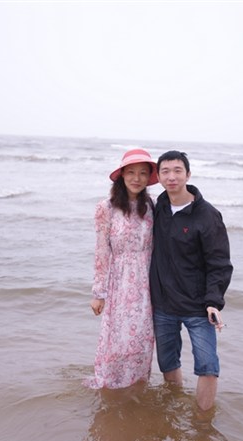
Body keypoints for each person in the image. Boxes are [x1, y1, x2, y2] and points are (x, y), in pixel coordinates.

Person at [149, 150, 233, 411]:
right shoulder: (157, 209)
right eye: (165, 171)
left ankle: (203, 422)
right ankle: (173, 410)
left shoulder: (207, 215)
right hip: (163, 305)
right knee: (167, 362)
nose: (171, 177)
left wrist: (213, 302)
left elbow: (220, 263)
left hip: (198, 307)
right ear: (159, 177)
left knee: (208, 365)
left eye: (177, 170)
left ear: (188, 174)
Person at [84, 148, 158, 389]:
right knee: (118, 339)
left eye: (143, 173)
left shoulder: (152, 206)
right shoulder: (106, 208)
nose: (137, 178)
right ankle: (111, 385)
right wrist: (98, 293)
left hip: (146, 283)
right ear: (122, 175)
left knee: (141, 339)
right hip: (118, 281)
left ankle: (136, 387)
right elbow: (102, 252)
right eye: (131, 172)